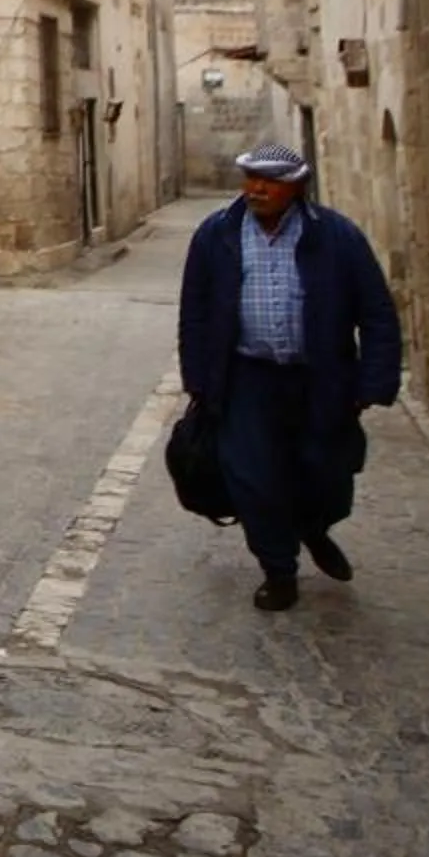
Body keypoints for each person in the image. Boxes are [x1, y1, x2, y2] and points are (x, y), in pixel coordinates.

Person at [176, 141, 402, 611]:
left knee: (327, 474)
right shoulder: (216, 235)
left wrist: (370, 386)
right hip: (246, 380)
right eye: (251, 178)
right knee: (253, 479)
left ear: (296, 187)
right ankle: (278, 569)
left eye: (270, 181)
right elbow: (194, 312)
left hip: (319, 378)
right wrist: (198, 379)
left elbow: (376, 312)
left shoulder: (338, 237)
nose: (257, 189)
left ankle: (315, 527)